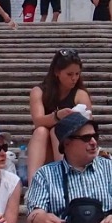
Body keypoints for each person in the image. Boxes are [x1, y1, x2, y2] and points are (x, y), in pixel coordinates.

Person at [25, 49, 93, 182]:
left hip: (71, 146)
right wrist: (57, 116)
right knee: (41, 131)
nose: (74, 78)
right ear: (57, 72)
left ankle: (66, 178)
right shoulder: (39, 91)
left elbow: (89, 127)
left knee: (56, 131)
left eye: (77, 74)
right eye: (69, 74)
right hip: (45, 147)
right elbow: (38, 121)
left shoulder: (80, 94)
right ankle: (33, 182)